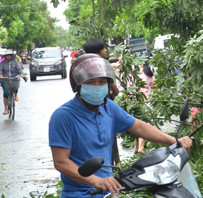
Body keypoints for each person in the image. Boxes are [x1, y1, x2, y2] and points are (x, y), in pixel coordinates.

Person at [49, 54, 193, 197]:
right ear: (78, 85)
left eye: (102, 82)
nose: (97, 86)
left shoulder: (108, 108)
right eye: (91, 82)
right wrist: (97, 181)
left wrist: (174, 141)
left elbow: (139, 127)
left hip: (108, 192)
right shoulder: (63, 116)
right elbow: (61, 162)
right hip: (80, 194)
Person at [134, 62, 156, 154]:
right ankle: (141, 147)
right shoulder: (150, 73)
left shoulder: (135, 71)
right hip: (146, 100)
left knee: (134, 124)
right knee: (143, 124)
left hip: (133, 99)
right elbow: (154, 87)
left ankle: (136, 147)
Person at [0, 50, 26, 114]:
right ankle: (6, 109)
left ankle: (16, 94)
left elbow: (19, 69)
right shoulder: (2, 63)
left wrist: (22, 74)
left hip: (14, 78)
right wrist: (1, 75)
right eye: (7, 55)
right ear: (5, 56)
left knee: (16, 85)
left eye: (9, 55)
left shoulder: (15, 62)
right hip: (5, 79)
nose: (8, 56)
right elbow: (0, 70)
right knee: (5, 93)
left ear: (12, 56)